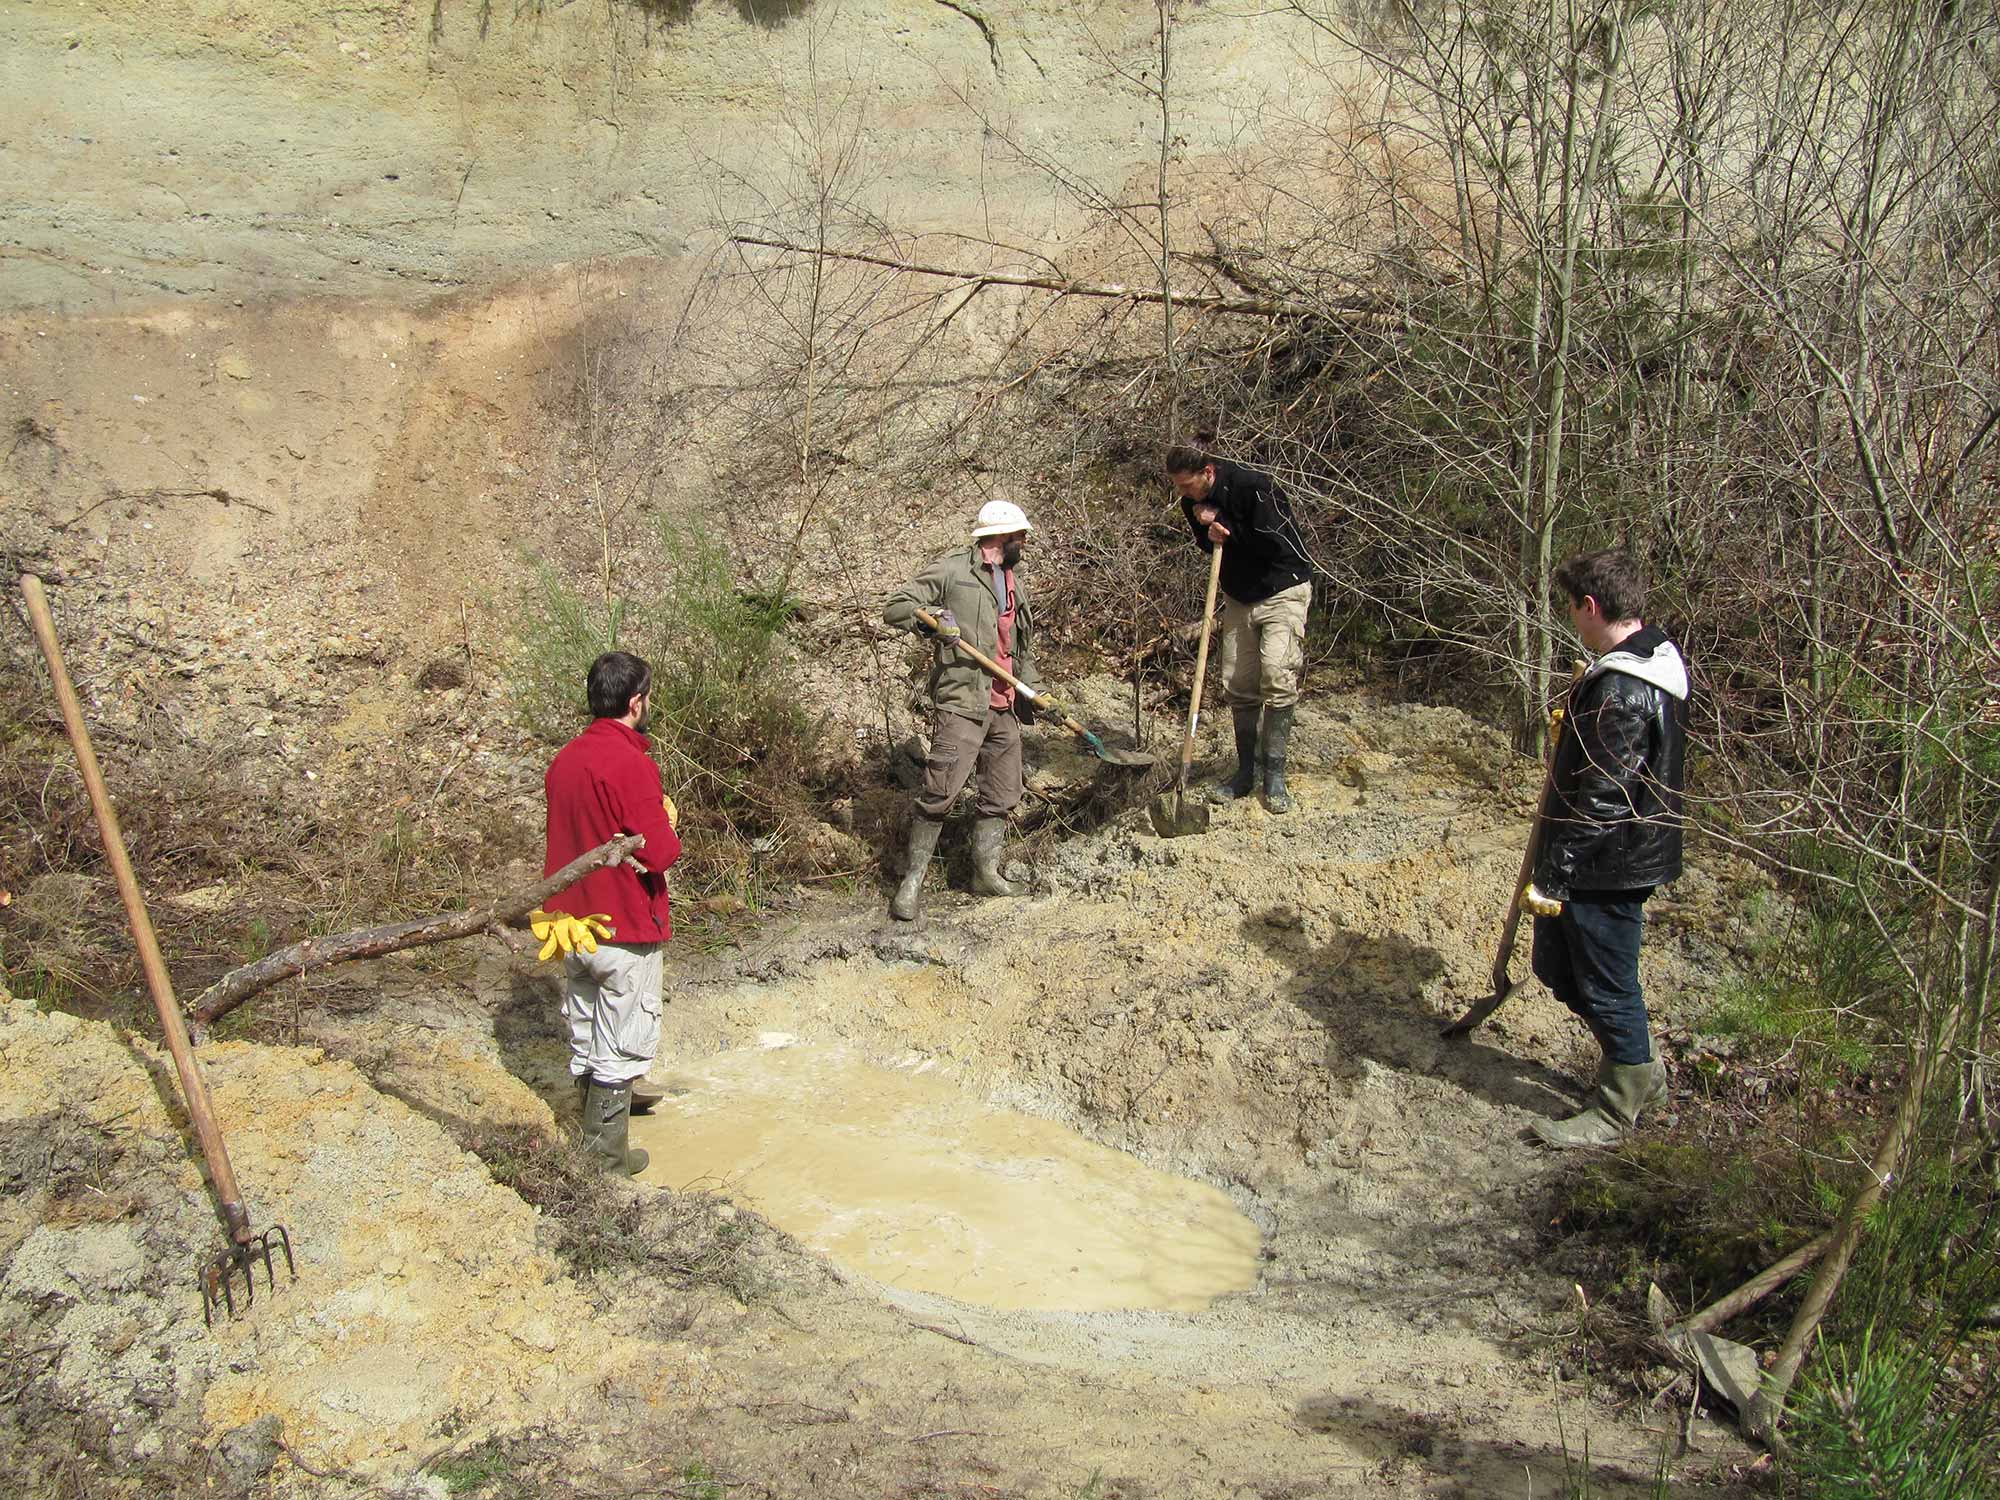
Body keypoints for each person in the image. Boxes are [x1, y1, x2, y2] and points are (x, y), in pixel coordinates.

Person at [1524, 549, 1688, 1148]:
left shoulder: (1622, 689)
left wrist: (1555, 875)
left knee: (1605, 984)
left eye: (1572, 609)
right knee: (1556, 967)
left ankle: (1620, 1109)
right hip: (1614, 855)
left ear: (1591, 607)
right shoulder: (1644, 660)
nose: (1571, 619)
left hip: (1606, 862)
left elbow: (1603, 795)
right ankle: (1641, 1069)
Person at [530, 650, 683, 1175]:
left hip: (571, 924)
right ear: (636, 701)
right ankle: (607, 1158)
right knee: (621, 1034)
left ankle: (588, 1130)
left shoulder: (565, 759)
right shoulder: (630, 763)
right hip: (623, 921)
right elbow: (660, 852)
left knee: (586, 1025)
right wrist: (664, 821)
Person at [881, 499, 1042, 921]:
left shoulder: (1012, 582)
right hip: (962, 704)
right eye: (1020, 536)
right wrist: (934, 616)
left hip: (1004, 706)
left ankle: (985, 874)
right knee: (939, 794)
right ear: (1000, 537)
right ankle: (910, 884)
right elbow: (896, 606)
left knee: (1001, 795)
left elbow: (1018, 650)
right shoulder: (953, 570)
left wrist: (1037, 690)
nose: (1024, 542)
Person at [1164, 444, 1313, 813]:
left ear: (1208, 472)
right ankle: (1246, 771)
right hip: (1239, 597)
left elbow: (1277, 542)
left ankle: (1274, 775)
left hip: (1282, 589)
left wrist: (1225, 524)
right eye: (1178, 487)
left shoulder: (1255, 487)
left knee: (1277, 674)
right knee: (1237, 683)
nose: (1183, 494)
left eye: (1187, 486)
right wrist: (1207, 529)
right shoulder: (1192, 504)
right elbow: (1210, 544)